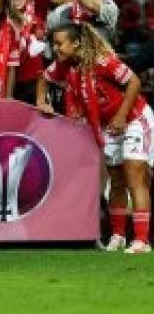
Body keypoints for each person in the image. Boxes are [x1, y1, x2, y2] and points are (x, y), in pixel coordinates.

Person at [38, 23, 151, 254]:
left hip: (134, 120)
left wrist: (121, 116)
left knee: (133, 177)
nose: (55, 48)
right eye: (54, 44)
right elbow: (43, 78)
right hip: (109, 126)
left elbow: (134, 83)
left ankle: (141, 241)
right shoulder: (64, 66)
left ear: (76, 43)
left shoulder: (102, 62)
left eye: (60, 44)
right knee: (116, 179)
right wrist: (41, 100)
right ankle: (118, 236)